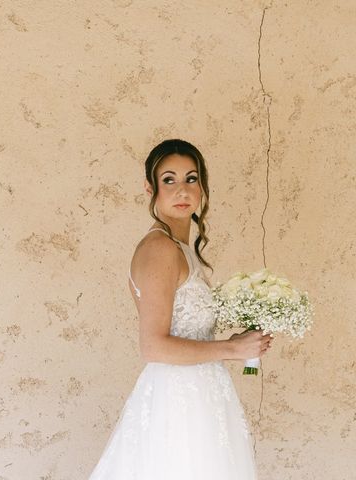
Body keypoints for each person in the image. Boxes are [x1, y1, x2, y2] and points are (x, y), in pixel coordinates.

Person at [87, 139, 272, 479]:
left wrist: (241, 340)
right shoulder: (160, 249)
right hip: (179, 402)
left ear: (202, 186)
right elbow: (153, 346)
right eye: (169, 180)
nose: (182, 189)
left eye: (191, 178)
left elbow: (188, 332)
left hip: (202, 394)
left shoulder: (181, 248)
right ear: (150, 188)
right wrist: (232, 349)